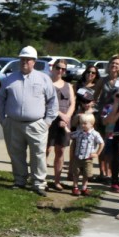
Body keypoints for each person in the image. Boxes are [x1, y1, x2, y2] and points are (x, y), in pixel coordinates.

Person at [0, 46, 58, 196]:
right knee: (16, 153)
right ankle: (19, 180)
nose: (24, 62)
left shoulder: (43, 79)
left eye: (28, 59)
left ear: (34, 61)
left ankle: (39, 183)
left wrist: (47, 122)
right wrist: (2, 119)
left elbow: (52, 102)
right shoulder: (9, 79)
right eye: (22, 59)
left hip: (36, 124)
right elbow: (0, 100)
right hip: (13, 123)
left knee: (38, 155)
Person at [46, 60, 75, 190]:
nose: (60, 71)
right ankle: (40, 178)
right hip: (49, 120)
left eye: (63, 69)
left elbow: (72, 103)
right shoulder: (47, 83)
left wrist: (67, 116)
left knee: (61, 150)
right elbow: (44, 102)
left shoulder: (68, 85)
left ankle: (57, 181)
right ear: (53, 68)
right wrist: (60, 114)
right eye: (58, 68)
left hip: (64, 122)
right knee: (46, 150)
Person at [69, 113, 104, 196]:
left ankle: (84, 188)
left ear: (91, 124)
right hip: (78, 157)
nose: (82, 125)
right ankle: (75, 187)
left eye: (85, 123)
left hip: (88, 158)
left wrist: (97, 153)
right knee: (76, 173)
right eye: (81, 123)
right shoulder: (79, 132)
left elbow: (102, 143)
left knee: (86, 174)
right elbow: (71, 135)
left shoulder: (95, 134)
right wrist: (65, 128)